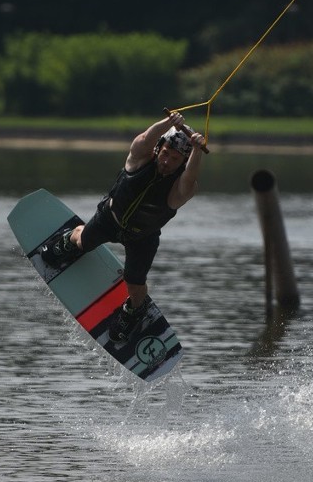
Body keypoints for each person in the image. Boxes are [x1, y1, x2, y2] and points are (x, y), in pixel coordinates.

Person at [45, 112, 206, 342]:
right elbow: (144, 138)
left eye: (175, 159)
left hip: (143, 237)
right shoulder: (140, 158)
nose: (167, 161)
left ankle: (134, 311)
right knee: (82, 242)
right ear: (159, 148)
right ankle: (69, 239)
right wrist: (169, 123)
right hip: (110, 219)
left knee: (135, 282)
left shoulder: (181, 189)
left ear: (183, 163)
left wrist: (197, 150)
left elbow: (190, 176)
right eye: (165, 154)